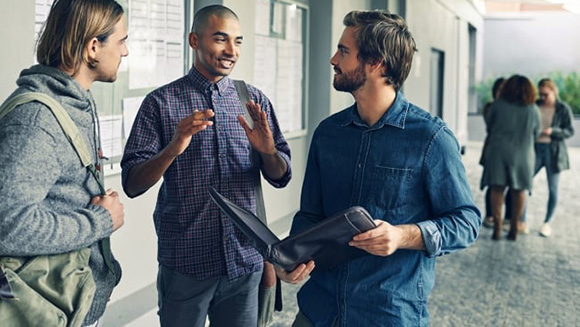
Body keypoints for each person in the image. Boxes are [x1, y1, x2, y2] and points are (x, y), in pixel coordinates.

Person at [276, 10, 481, 326]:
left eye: (344, 51)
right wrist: (292, 256)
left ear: (376, 63)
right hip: (318, 311)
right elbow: (310, 215)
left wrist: (402, 236)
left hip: (387, 313)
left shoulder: (431, 138)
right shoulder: (328, 134)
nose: (333, 59)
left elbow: (466, 222)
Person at [120, 5, 291, 327]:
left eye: (238, 41)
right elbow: (132, 183)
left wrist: (269, 153)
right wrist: (173, 148)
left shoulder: (253, 101)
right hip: (186, 262)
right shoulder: (161, 102)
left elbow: (280, 176)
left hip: (244, 262)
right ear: (194, 40)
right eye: (220, 39)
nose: (231, 51)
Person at [0, 0, 127, 326]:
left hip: (73, 307)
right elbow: (7, 224)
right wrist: (100, 221)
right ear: (93, 47)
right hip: (44, 311)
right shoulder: (37, 120)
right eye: (122, 41)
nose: (125, 52)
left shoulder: (75, 102)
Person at [480, 75, 541, 241]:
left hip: (497, 152)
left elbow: (490, 126)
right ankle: (515, 226)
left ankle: (497, 227)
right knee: (519, 190)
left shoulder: (497, 106)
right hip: (523, 154)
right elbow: (537, 133)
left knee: (497, 189)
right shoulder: (533, 109)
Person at [522, 78, 574, 237]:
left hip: (554, 151)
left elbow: (570, 131)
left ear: (553, 91)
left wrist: (553, 131)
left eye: (546, 94)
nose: (543, 97)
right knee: (523, 184)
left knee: (553, 189)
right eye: (541, 94)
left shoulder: (562, 108)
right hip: (535, 149)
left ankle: (547, 223)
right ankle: (521, 221)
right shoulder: (534, 106)